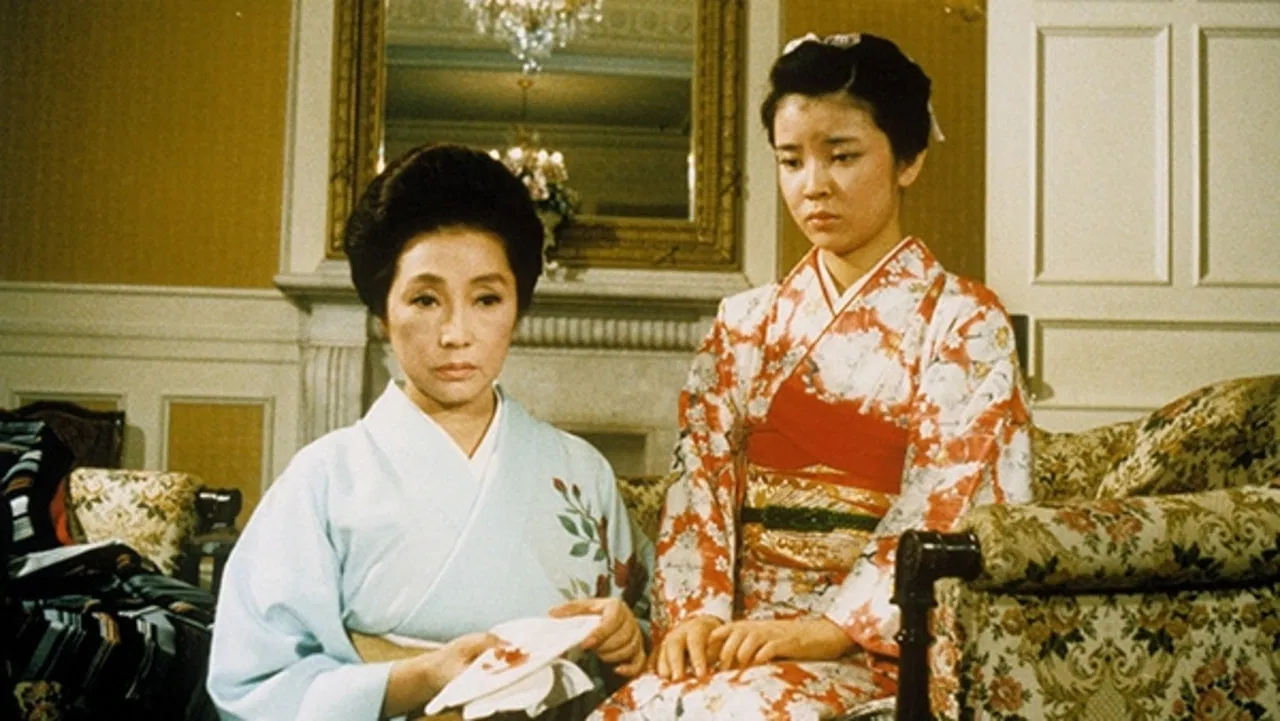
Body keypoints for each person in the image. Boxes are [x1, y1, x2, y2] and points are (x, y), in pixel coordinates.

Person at [592, 33, 1032, 721]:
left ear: (909, 159)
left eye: (842, 156)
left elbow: (948, 499)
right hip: (743, 635)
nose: (812, 185)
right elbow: (701, 485)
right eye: (791, 160)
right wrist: (698, 618)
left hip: (881, 645)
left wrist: (832, 628)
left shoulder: (963, 322)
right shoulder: (745, 322)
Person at [207, 144, 652, 721]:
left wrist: (629, 638)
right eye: (424, 299)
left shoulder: (581, 470)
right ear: (383, 312)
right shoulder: (325, 478)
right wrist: (420, 679)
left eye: (487, 299)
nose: (456, 333)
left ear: (517, 309)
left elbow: (650, 631)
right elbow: (255, 682)